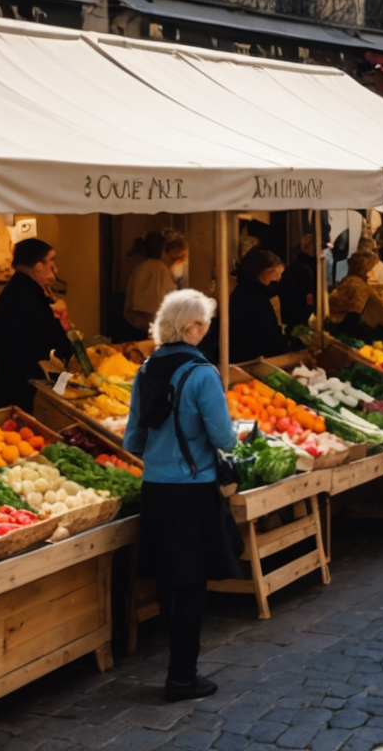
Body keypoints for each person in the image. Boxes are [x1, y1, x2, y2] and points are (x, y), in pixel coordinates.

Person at [124, 289, 241, 702]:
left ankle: (176, 669)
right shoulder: (202, 374)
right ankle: (182, 677)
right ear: (192, 327)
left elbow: (132, 440)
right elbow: (223, 437)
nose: (207, 330)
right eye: (205, 324)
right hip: (192, 491)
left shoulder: (145, 370)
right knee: (191, 586)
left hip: (156, 487)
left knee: (168, 581)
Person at [0, 238, 69, 412]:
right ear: (38, 266)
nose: (55, 268)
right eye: (51, 261)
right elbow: (53, 342)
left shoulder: (17, 292)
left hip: (12, 386)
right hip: (24, 393)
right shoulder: (27, 298)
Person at [216, 249, 291, 363]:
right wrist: (290, 344)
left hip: (248, 358)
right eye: (278, 273)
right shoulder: (252, 296)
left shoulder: (247, 291)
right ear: (265, 272)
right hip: (251, 361)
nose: (279, 279)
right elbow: (269, 337)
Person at [124, 231, 187, 334]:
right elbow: (151, 305)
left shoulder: (144, 267)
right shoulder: (157, 268)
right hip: (147, 325)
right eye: (175, 258)